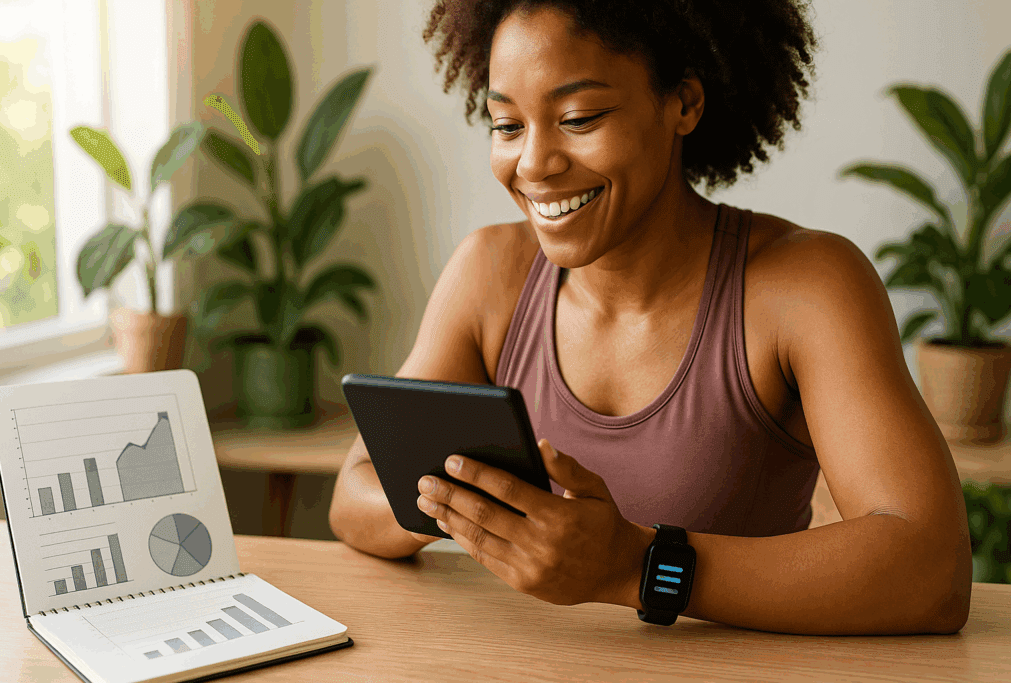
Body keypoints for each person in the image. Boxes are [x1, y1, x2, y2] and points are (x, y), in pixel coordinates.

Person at [329, 0, 972, 635]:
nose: (533, 164)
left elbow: (931, 569)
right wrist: (465, 505)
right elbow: (354, 496)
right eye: (506, 125)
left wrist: (633, 566)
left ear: (684, 104)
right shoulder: (488, 275)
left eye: (579, 118)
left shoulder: (805, 287)